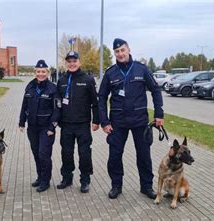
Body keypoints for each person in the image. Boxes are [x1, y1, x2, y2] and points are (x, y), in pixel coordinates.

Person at [98, 38, 164, 199]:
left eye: (122, 50)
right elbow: (101, 98)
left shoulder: (141, 69)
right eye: (117, 51)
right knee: (114, 156)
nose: (120, 54)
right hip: (117, 122)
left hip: (140, 120)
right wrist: (104, 122)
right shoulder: (110, 73)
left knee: (144, 155)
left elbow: (156, 90)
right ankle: (116, 186)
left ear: (128, 50)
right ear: (114, 53)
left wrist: (159, 114)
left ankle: (146, 186)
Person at [56, 51, 99, 193]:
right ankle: (67, 178)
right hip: (66, 125)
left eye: (74, 61)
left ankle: (85, 180)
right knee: (66, 153)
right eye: (69, 61)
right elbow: (57, 103)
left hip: (83, 125)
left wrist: (96, 121)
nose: (72, 64)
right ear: (66, 63)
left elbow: (95, 103)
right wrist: (56, 121)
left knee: (84, 154)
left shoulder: (88, 79)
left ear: (79, 62)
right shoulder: (61, 80)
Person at [19, 60, 60, 192]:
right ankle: (40, 176)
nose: (40, 74)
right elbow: (24, 105)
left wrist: (52, 128)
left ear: (47, 73)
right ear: (35, 72)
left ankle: (45, 180)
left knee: (44, 154)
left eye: (43, 71)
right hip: (32, 127)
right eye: (38, 71)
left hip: (46, 128)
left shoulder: (53, 88)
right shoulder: (30, 86)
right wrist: (21, 122)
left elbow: (57, 110)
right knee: (36, 153)